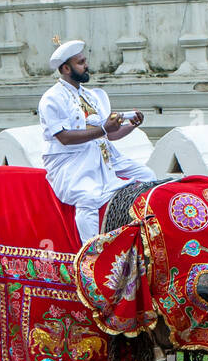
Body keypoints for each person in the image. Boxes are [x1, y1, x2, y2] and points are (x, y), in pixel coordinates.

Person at [39, 40, 156, 244]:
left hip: (105, 156)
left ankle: (142, 234)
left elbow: (110, 135)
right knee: (89, 198)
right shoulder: (52, 98)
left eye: (85, 61)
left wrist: (131, 125)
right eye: (81, 63)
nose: (86, 66)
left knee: (147, 175)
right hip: (72, 161)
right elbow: (64, 138)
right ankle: (91, 252)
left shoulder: (93, 96)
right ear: (66, 68)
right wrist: (103, 129)